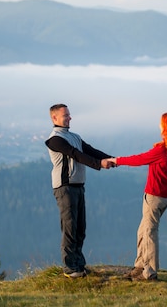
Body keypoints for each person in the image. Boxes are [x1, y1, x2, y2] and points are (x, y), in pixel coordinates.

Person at [109, 112, 167, 281]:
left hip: (153, 197)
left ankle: (149, 272)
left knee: (150, 233)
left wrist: (116, 160)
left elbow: (139, 159)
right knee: (142, 230)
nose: (159, 126)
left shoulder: (162, 150)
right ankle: (139, 265)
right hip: (165, 197)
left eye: (161, 123)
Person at [45, 103, 115, 278]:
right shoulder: (55, 139)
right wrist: (99, 164)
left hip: (78, 186)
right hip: (64, 187)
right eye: (65, 115)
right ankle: (70, 268)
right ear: (54, 118)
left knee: (80, 228)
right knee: (69, 227)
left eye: (69, 115)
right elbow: (76, 154)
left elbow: (89, 150)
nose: (69, 118)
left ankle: (79, 265)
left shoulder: (74, 136)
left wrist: (111, 158)